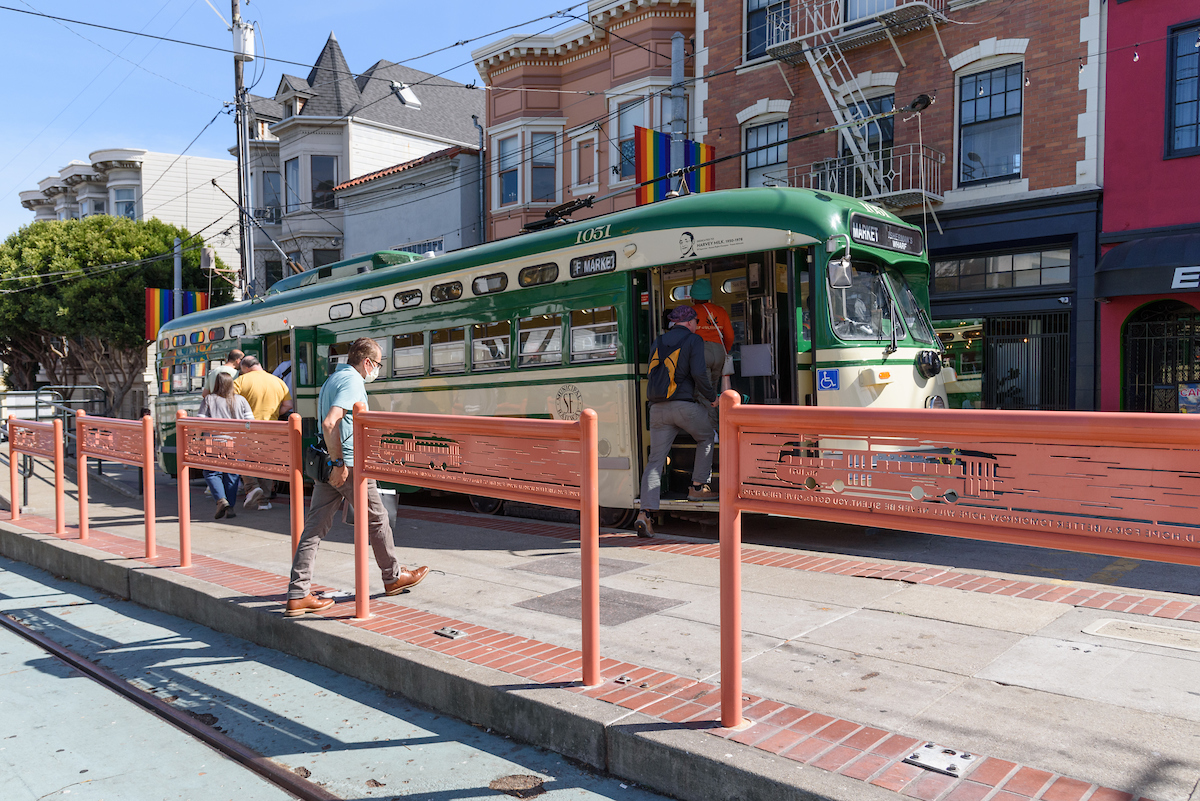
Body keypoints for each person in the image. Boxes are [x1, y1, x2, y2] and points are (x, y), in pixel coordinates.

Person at [284, 338, 429, 617]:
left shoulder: (332, 380)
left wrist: (334, 462)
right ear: (366, 362)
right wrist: (340, 463)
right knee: (377, 519)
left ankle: (298, 593)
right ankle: (393, 577)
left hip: (329, 465)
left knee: (314, 529)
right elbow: (331, 422)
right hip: (348, 465)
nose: (376, 370)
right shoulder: (352, 382)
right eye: (376, 364)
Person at [633, 306, 718, 538]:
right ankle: (698, 487)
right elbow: (700, 374)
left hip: (657, 409)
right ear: (690, 322)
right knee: (706, 436)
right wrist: (712, 398)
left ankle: (645, 514)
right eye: (696, 321)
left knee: (655, 461)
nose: (697, 324)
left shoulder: (659, 340)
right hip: (684, 407)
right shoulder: (694, 340)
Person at [234, 354, 293, 510]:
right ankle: (264, 502)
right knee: (266, 464)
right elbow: (288, 405)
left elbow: (230, 403)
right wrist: (273, 413)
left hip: (248, 428)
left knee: (244, 460)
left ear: (245, 368)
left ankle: (252, 487)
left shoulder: (240, 381)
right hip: (271, 429)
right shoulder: (278, 381)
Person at [196, 372, 254, 520]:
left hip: (214, 442)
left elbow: (199, 422)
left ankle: (221, 500)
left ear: (216, 384)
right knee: (232, 476)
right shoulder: (241, 400)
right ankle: (231, 507)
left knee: (211, 473)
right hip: (236, 443)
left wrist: (196, 439)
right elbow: (250, 422)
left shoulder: (209, 399)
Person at [690, 278, 734, 429]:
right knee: (713, 390)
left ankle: (711, 430)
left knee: (703, 393)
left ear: (693, 296)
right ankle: (718, 426)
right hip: (719, 352)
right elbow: (729, 336)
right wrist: (724, 352)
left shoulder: (692, 312)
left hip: (701, 352)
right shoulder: (720, 311)